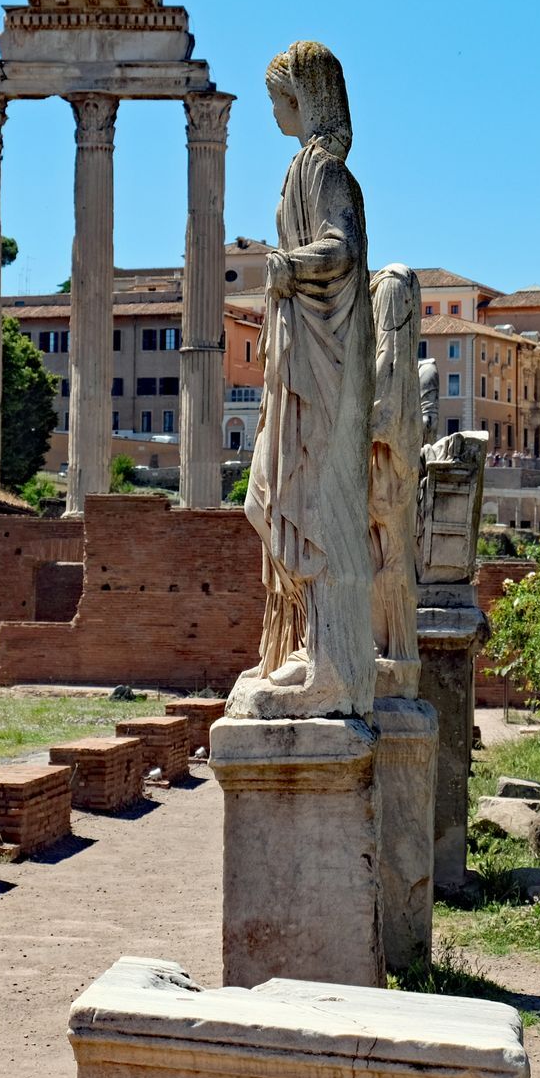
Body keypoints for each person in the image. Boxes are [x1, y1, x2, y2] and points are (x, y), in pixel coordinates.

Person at [229, 42, 375, 720]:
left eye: (277, 99)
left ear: (304, 98)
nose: (272, 112)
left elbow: (342, 247)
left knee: (320, 507)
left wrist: (288, 267)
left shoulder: (326, 171)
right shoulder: (301, 167)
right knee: (280, 499)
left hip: (326, 362)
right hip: (302, 354)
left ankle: (335, 671)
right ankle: (316, 650)